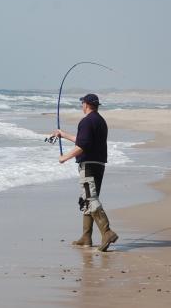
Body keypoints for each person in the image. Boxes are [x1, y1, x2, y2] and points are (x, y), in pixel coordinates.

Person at [52, 93, 118, 252]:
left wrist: (64, 158)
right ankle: (86, 237)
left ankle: (107, 232)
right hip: (99, 164)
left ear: (87, 104)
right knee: (87, 199)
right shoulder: (100, 121)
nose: (82, 105)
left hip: (88, 165)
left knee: (90, 197)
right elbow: (83, 140)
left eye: (82, 103)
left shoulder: (86, 121)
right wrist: (63, 134)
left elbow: (82, 146)